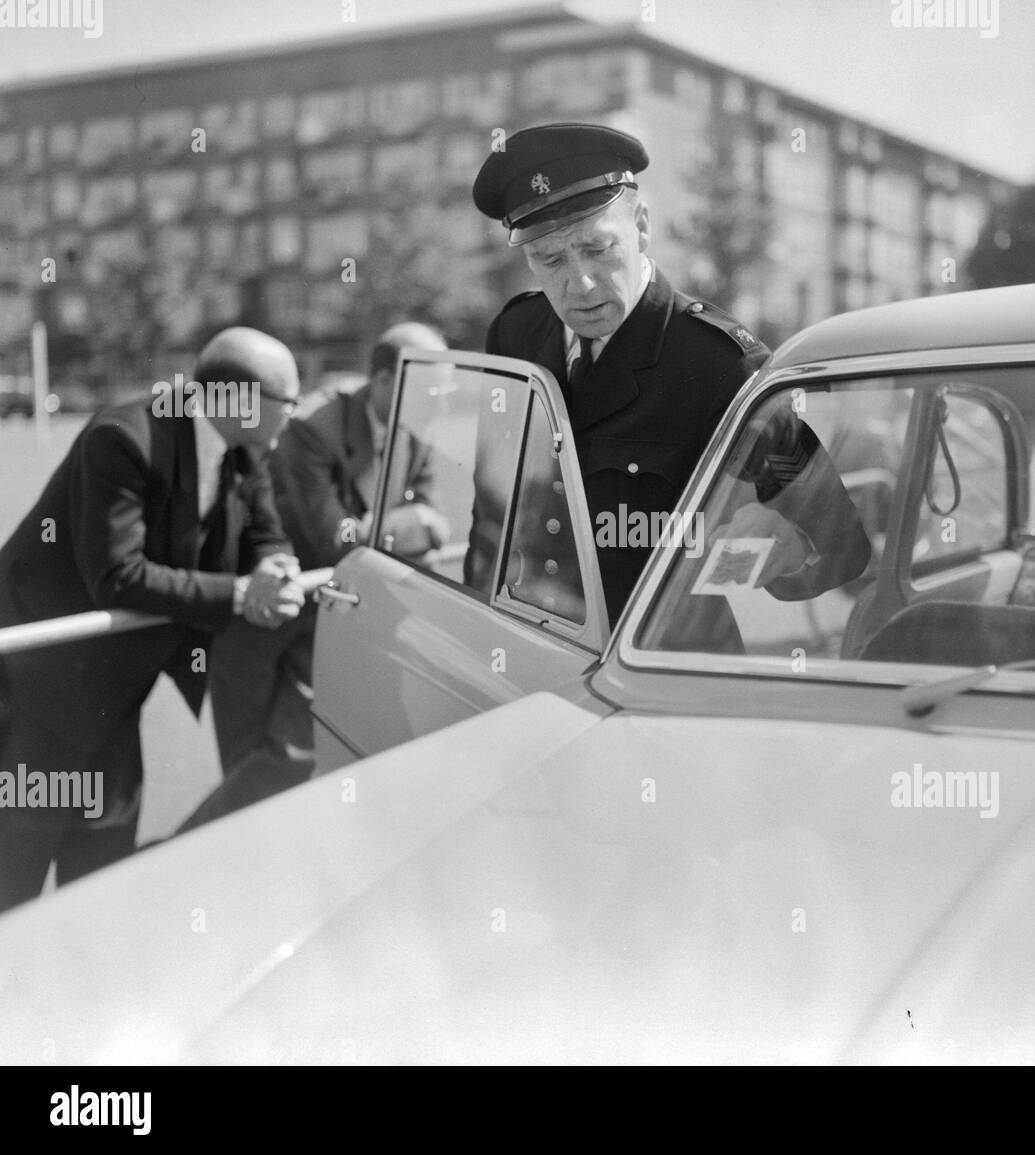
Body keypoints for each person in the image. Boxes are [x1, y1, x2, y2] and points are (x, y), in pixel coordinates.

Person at [469, 123, 870, 625]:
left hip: (650, 670)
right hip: (533, 643)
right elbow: (490, 513)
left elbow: (841, 543)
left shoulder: (720, 366)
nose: (580, 283)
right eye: (548, 259)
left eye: (597, 248)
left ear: (640, 227)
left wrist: (787, 547)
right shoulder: (515, 335)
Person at [0, 327, 305, 911]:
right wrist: (242, 593)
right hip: (43, 687)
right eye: (288, 401)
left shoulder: (245, 452)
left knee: (103, 867)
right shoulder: (122, 438)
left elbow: (267, 535)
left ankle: (89, 992)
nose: (294, 416)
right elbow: (117, 575)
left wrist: (277, 571)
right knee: (17, 866)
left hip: (115, 693)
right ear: (241, 399)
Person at [178, 322, 451, 832]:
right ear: (389, 382)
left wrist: (395, 527)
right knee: (250, 768)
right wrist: (407, 526)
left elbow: (437, 520)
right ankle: (184, 860)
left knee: (296, 757)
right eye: (434, 390)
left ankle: (215, 857)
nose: (442, 402)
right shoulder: (313, 426)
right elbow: (338, 539)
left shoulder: (416, 429)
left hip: (330, 618)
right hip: (257, 619)